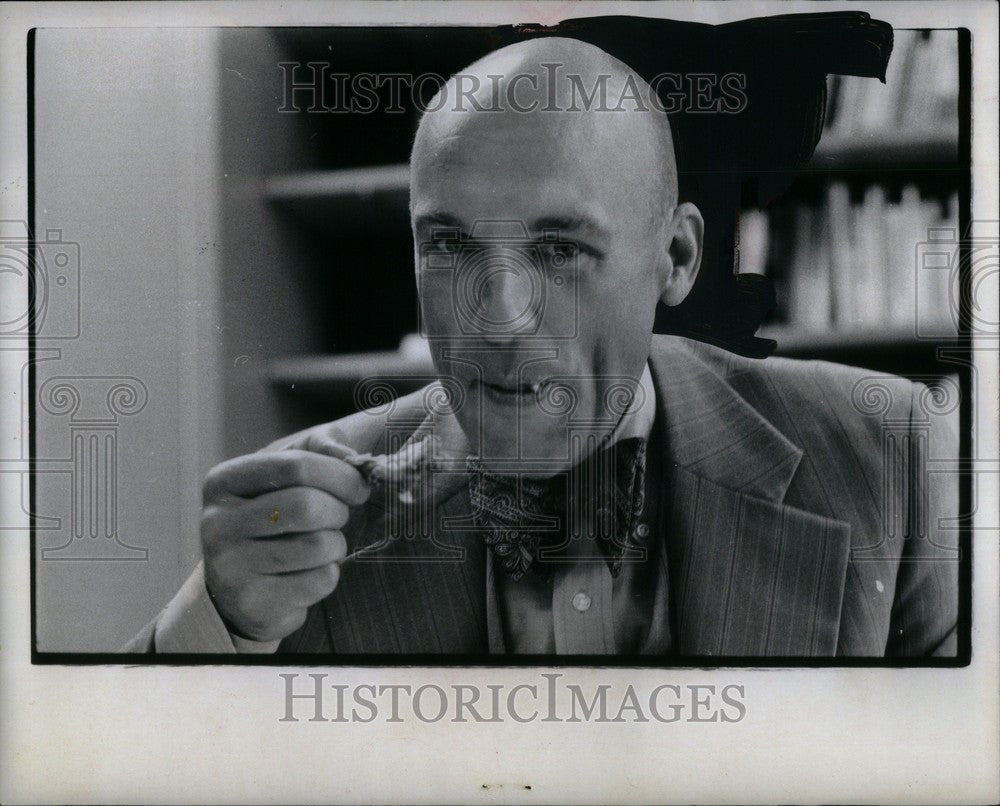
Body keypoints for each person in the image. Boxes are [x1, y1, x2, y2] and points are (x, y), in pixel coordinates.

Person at [125, 35, 958, 657]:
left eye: (559, 250)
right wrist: (219, 628)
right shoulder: (304, 517)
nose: (497, 320)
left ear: (676, 259)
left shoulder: (889, 449)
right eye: (449, 246)